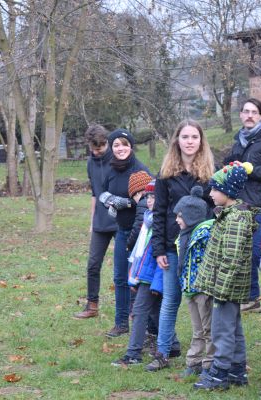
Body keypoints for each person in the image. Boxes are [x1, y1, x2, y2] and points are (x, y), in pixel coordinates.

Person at [147, 119, 215, 371]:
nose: (189, 142)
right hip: (171, 246)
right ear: (177, 140)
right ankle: (163, 352)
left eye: (194, 137)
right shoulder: (166, 174)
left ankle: (206, 356)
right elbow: (159, 213)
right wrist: (158, 249)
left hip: (199, 246)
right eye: (185, 137)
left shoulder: (209, 173)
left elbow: (213, 209)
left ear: (200, 141)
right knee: (170, 299)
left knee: (202, 302)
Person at [193, 162, 257, 391]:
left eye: (214, 189)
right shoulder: (230, 214)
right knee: (233, 328)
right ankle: (237, 371)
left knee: (222, 330)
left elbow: (230, 259)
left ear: (227, 191)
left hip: (225, 287)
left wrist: (220, 290)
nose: (210, 194)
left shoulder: (235, 219)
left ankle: (220, 373)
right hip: (226, 286)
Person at [223, 98, 261, 313]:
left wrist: (251, 169)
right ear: (240, 114)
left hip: (259, 203)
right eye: (246, 111)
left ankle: (253, 296)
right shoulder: (238, 140)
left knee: (254, 251)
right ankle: (250, 297)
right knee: (242, 251)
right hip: (238, 203)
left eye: (254, 112)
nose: (249, 115)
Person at [99, 128, 150, 338]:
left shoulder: (139, 170)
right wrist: (108, 201)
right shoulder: (110, 169)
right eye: (116, 145)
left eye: (124, 144)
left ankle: (141, 323)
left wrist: (128, 203)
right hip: (121, 230)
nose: (120, 149)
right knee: (119, 277)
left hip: (141, 231)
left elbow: (150, 201)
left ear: (131, 146)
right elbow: (102, 191)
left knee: (137, 279)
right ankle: (121, 323)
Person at [112, 179, 163, 367]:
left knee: (140, 311)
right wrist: (134, 276)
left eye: (154, 196)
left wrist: (157, 283)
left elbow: (161, 256)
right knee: (156, 311)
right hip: (144, 274)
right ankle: (172, 345)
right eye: (148, 196)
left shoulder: (160, 223)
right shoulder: (148, 220)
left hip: (152, 277)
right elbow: (139, 252)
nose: (149, 200)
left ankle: (133, 353)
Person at [75, 125, 118, 319]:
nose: (97, 151)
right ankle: (92, 306)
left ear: (106, 143)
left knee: (125, 266)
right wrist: (92, 220)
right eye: (93, 148)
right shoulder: (90, 163)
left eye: (100, 147)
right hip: (101, 220)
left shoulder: (118, 159)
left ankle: (133, 307)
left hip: (120, 221)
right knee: (93, 264)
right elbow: (95, 193)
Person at [176, 187, 215, 377]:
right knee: (197, 328)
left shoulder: (205, 235)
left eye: (180, 216)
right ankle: (194, 361)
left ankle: (210, 365)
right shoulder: (183, 236)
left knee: (208, 328)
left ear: (191, 216)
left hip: (203, 289)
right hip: (189, 288)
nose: (177, 219)